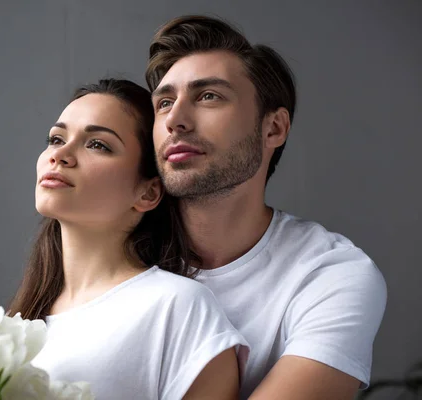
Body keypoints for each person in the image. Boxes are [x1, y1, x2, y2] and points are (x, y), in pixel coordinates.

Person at [146, 15, 387, 399]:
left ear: (273, 128)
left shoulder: (331, 274)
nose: (175, 119)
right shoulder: (118, 252)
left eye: (209, 96)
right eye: (164, 102)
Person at [8, 79, 248, 400]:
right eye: (55, 139)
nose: (61, 155)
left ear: (148, 192)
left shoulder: (177, 308)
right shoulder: (21, 317)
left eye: (98, 145)